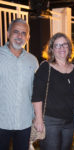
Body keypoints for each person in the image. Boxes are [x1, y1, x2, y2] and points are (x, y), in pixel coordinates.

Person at [31, 32, 74, 150]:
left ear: (69, 47)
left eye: (64, 44)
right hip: (50, 121)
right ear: (51, 49)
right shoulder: (46, 67)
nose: (61, 48)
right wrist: (39, 119)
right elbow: (37, 95)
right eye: (57, 45)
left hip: (69, 122)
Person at [0, 18, 39, 150]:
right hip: (1, 122)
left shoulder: (33, 61)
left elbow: (35, 91)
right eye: (16, 31)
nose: (19, 36)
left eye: (23, 33)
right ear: (8, 33)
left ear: (28, 37)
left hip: (24, 122)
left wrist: (36, 116)